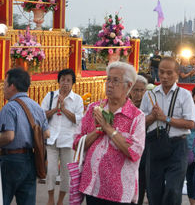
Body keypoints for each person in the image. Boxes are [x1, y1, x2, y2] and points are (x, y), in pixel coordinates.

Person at [74, 61, 146, 204]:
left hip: (118, 191)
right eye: (108, 79)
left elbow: (134, 152)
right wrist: (98, 130)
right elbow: (77, 143)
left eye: (115, 80)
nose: (110, 84)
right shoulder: (94, 109)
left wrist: (108, 129)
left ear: (129, 86)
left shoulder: (136, 116)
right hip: (92, 186)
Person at [140, 57, 195, 205]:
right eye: (161, 72)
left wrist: (166, 118)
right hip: (155, 145)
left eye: (169, 73)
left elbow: (190, 123)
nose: (164, 76)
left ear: (177, 73)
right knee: (154, 190)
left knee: (173, 189)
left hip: (177, 146)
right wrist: (152, 117)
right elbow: (140, 123)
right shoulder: (150, 94)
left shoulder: (184, 95)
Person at [0, 68, 50, 205]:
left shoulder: (9, 108)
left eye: (5, 85)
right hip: (31, 160)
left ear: (12, 86)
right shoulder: (37, 107)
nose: (3, 88)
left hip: (11, 160)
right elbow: (46, 133)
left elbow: (9, 136)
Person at [41, 69, 84, 205]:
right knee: (52, 172)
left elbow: (78, 120)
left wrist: (64, 109)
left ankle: (60, 200)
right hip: (52, 138)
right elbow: (41, 115)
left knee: (66, 174)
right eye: (62, 80)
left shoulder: (77, 99)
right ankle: (50, 198)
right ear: (58, 81)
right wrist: (56, 108)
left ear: (73, 83)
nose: (65, 83)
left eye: (68, 80)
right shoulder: (50, 96)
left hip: (68, 140)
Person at [128, 75, 148, 205]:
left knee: (141, 181)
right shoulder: (125, 105)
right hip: (127, 149)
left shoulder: (150, 106)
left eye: (142, 90)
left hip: (145, 151)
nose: (139, 94)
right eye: (136, 90)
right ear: (129, 90)